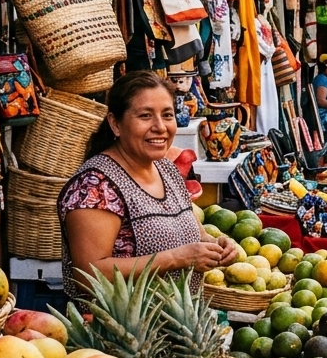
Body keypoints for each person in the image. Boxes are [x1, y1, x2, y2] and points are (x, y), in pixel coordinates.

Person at [59, 72, 239, 299]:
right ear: (115, 124)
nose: (160, 127)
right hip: (116, 330)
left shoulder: (167, 170)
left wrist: (217, 245)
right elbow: (88, 276)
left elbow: (194, 235)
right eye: (145, 116)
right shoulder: (95, 187)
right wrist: (176, 259)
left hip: (179, 327)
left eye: (167, 115)